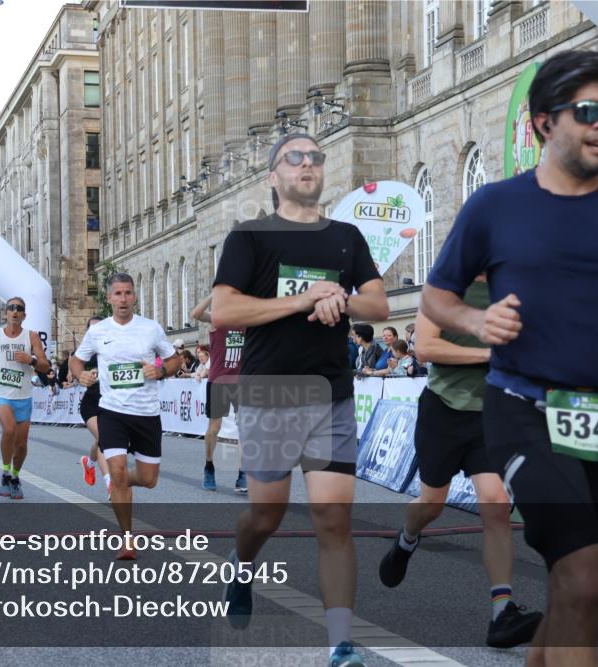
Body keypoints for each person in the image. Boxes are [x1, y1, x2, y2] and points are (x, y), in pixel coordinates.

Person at [419, 51, 598, 665]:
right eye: (589, 111)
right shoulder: (494, 205)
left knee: (582, 589)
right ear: (544, 123)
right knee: (581, 574)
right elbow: (437, 297)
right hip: (523, 406)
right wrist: (476, 321)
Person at [212, 133, 388, 666]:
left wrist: (341, 299)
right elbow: (224, 311)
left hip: (331, 394)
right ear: (273, 176)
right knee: (266, 515)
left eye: (315, 157)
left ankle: (340, 644)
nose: (307, 164)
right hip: (271, 392)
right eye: (294, 157)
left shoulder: (346, 237)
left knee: (333, 520)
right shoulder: (250, 236)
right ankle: (241, 566)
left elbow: (378, 305)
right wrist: (302, 300)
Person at [378, 275, 543, 648]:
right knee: (431, 504)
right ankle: (406, 540)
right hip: (443, 412)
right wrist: (489, 356)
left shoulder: (515, 284)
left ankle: (503, 612)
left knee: (496, 503)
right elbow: (426, 348)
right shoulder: (445, 286)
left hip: (490, 414)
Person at [71, 273, 180, 560]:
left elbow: (175, 359)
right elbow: (76, 360)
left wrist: (161, 370)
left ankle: (118, 483)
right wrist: (80, 374)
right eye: (118, 294)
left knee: (148, 479)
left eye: (128, 293)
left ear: (134, 296)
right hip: (112, 411)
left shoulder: (150, 328)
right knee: (117, 471)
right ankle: (127, 540)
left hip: (146, 413)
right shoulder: (98, 331)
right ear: (109, 298)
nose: (123, 299)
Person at [0, 296, 49, 501]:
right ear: (5, 313)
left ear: (24, 315)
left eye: (19, 309)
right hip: (1, 394)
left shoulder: (31, 337)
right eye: (11, 308)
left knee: (22, 445)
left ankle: (15, 477)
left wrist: (31, 360)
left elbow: (45, 366)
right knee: (9, 430)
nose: (15, 311)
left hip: (23, 396)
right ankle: (5, 472)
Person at [190, 294, 247, 493]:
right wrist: (213, 295)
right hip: (219, 382)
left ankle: (242, 473)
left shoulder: (246, 323)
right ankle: (209, 466)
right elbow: (196, 313)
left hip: (240, 382)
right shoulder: (218, 320)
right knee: (214, 428)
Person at [78, 316, 112, 500]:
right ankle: (110, 484)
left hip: (111, 402)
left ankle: (89, 463)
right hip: (91, 403)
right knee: (105, 438)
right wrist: (84, 375)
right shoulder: (84, 352)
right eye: (91, 328)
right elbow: (73, 371)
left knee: (102, 438)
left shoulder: (114, 348)